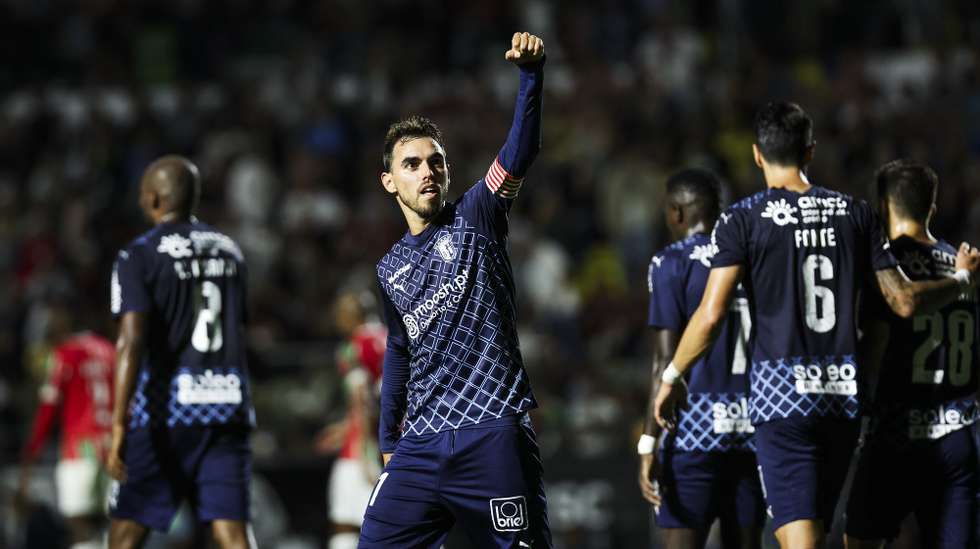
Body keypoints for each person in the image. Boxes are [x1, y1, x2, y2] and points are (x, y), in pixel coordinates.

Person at [652, 101, 980, 549]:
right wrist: (960, 280)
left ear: (756, 154)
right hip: (841, 402)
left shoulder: (744, 218)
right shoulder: (856, 213)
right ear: (810, 152)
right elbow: (902, 301)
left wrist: (672, 376)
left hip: (782, 402)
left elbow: (710, 317)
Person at [361, 32, 552, 548]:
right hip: (420, 444)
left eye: (436, 161)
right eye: (413, 164)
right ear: (388, 182)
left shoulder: (477, 216)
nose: (428, 171)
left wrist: (531, 76)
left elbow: (521, 150)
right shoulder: (389, 268)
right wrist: (387, 444)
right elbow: (399, 353)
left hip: (492, 431)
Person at [106, 155, 256, 549]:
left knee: (125, 532)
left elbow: (130, 341)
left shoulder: (138, 255)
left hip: (165, 414)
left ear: (154, 198)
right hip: (227, 406)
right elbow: (239, 328)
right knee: (234, 534)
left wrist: (119, 424)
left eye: (142, 194)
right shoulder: (230, 250)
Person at [845, 160, 979, 548]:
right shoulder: (961, 263)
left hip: (897, 433)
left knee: (860, 542)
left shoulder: (886, 265)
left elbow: (875, 342)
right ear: (931, 209)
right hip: (958, 435)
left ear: (883, 206)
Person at [638, 169, 764, 549]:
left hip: (694, 435)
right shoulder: (752, 259)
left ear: (677, 213)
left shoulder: (671, 262)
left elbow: (664, 362)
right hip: (752, 432)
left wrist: (648, 442)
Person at [16, 296, 115, 549]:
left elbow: (48, 409)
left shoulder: (65, 354)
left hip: (80, 447)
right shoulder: (110, 350)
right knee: (110, 522)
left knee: (78, 523)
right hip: (115, 446)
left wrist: (31, 455)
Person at [315, 291, 386, 549]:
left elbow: (362, 400)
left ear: (351, 316)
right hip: (397, 441)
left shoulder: (355, 346)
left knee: (345, 522)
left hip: (364, 449)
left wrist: (365, 453)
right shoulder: (388, 338)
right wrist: (345, 428)